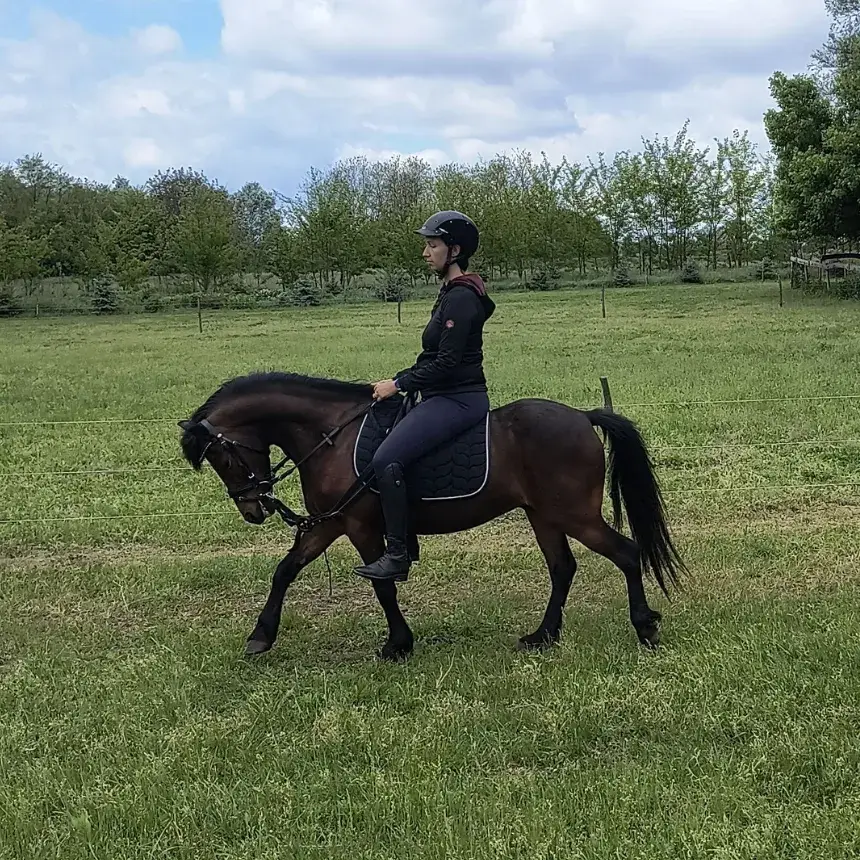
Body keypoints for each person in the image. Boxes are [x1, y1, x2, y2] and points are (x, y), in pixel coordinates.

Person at [354, 210, 497, 583]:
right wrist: (400, 379)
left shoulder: (461, 297)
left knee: (385, 458)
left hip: (458, 399)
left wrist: (398, 384)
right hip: (441, 394)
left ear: (454, 250)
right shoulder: (450, 292)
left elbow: (447, 363)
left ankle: (397, 554)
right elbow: (432, 357)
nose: (425, 253)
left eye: (432, 245)